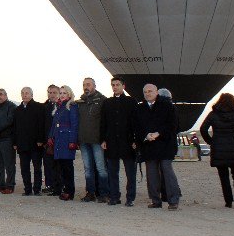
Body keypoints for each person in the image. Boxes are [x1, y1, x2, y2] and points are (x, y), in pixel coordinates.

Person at [134, 84, 181, 210]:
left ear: (156, 92)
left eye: (150, 91)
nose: (148, 94)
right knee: (152, 174)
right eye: (145, 92)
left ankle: (173, 200)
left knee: (167, 171)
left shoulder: (168, 106)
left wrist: (158, 133)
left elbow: (173, 125)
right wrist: (145, 136)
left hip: (165, 145)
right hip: (149, 146)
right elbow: (137, 126)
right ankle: (155, 200)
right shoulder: (140, 108)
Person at [199, 93, 234, 208]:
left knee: (223, 175)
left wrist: (210, 141)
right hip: (233, 145)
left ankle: (228, 201)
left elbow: (203, 129)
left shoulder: (213, 114)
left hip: (218, 146)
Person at [100, 77, 138, 206]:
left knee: (130, 173)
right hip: (111, 142)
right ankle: (114, 196)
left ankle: (130, 198)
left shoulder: (131, 101)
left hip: (127, 142)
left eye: (117, 84)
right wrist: (103, 139)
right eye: (113, 85)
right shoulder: (107, 103)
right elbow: (103, 123)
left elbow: (136, 123)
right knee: (112, 172)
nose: (115, 87)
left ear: (123, 86)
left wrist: (135, 140)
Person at [77, 77, 108, 203]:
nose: (86, 87)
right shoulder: (80, 102)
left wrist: (105, 139)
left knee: (101, 168)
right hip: (84, 140)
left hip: (97, 140)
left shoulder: (102, 100)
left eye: (88, 84)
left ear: (94, 86)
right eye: (84, 84)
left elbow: (106, 121)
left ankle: (104, 193)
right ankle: (90, 192)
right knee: (88, 168)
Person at [48, 85, 79, 200]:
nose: (61, 95)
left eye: (64, 93)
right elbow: (54, 124)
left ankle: (70, 192)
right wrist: (50, 137)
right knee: (61, 166)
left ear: (69, 94)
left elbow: (74, 125)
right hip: (58, 141)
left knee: (67, 168)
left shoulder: (72, 106)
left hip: (66, 140)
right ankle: (64, 189)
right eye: (60, 93)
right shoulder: (58, 107)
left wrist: (72, 141)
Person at [12, 87, 45, 196]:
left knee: (37, 168)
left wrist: (41, 139)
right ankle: (27, 189)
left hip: (36, 143)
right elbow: (15, 128)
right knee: (24, 168)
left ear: (31, 94)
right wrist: (15, 142)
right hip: (22, 144)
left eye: (27, 93)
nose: (25, 95)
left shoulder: (39, 107)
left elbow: (41, 125)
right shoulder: (17, 110)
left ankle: (37, 189)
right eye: (23, 93)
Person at [0, 88, 17, 193]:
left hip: (7, 139)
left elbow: (9, 121)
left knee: (9, 164)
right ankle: (0, 185)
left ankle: (10, 186)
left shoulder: (12, 107)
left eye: (1, 94)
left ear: (6, 95)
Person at [43, 85, 60, 193]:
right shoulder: (44, 107)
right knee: (47, 164)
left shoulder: (62, 106)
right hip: (47, 140)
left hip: (59, 140)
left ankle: (58, 186)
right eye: (50, 92)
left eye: (54, 92)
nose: (51, 95)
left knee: (58, 164)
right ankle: (49, 185)